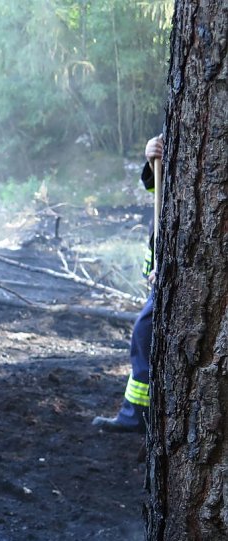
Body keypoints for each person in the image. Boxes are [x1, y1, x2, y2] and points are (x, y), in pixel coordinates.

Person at [93, 134, 163, 433]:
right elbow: (160, 186)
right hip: (163, 270)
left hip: (172, 272)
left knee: (144, 334)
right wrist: (152, 158)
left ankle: (137, 416)